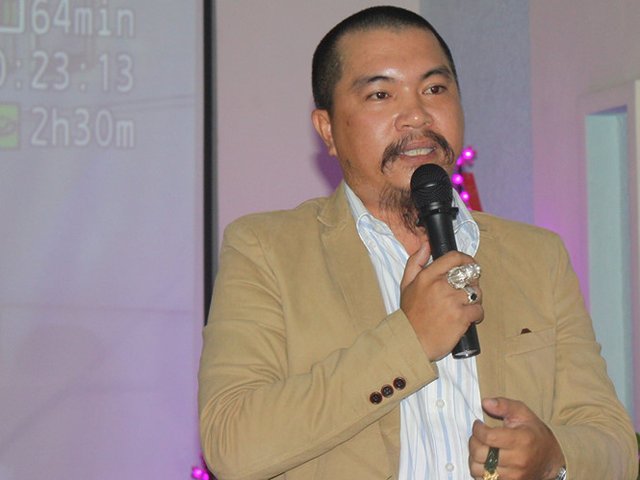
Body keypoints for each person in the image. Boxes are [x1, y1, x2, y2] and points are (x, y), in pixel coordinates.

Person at [199, 6, 637, 480]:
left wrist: (555, 457)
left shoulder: (538, 255)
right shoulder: (266, 250)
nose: (417, 115)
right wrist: (409, 339)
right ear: (327, 129)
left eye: (434, 89)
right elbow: (232, 444)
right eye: (381, 94)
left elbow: (614, 443)